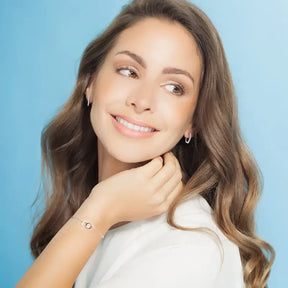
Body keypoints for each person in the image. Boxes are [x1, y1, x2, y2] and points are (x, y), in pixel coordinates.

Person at [15, 0, 275, 287]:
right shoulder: (106, 212)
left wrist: (98, 211)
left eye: (174, 87)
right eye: (129, 71)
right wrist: (101, 210)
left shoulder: (188, 246)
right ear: (90, 81)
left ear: (194, 120)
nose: (142, 101)